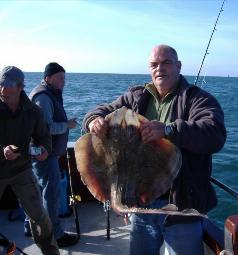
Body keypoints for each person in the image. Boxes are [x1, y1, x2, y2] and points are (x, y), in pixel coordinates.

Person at [83, 45, 227, 255]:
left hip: (181, 204)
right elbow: (102, 110)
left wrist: (169, 130)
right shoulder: (136, 97)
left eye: (166, 62)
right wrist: (93, 121)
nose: (160, 68)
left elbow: (215, 134)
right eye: (154, 64)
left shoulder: (197, 99)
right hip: (141, 201)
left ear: (178, 66)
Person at [0, 66, 60, 255]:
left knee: (39, 216)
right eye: (0, 84)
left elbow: (43, 137)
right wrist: (1, 151)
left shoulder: (33, 111)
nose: (2, 89)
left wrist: (44, 150)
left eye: (7, 85)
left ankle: (50, 251)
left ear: (20, 87)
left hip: (21, 170)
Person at [27, 62, 78, 247]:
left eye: (64, 78)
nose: (63, 82)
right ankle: (55, 234)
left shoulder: (47, 93)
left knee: (38, 192)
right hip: (44, 155)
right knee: (51, 195)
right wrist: (67, 125)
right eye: (60, 78)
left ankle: (29, 226)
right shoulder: (44, 98)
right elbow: (45, 128)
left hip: (42, 153)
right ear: (48, 78)